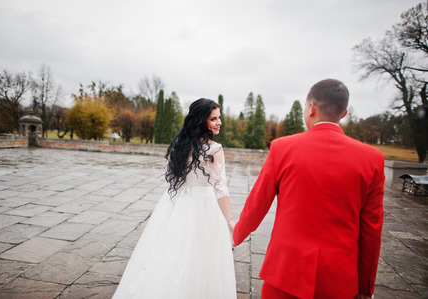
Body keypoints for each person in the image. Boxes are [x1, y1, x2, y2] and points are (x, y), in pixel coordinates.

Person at [233, 79, 385, 299]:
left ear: (311, 108)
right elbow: (372, 230)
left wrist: (235, 236)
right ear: (344, 114)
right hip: (340, 280)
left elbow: (257, 204)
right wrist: (364, 286)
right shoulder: (373, 159)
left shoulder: (282, 148)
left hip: (285, 274)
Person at [112, 98, 237, 299]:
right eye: (213, 119)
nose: (219, 122)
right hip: (203, 207)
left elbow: (174, 178)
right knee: (201, 259)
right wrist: (230, 220)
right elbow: (220, 187)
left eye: (219, 118)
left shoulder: (179, 144)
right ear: (201, 121)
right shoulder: (214, 149)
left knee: (168, 253)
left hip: (176, 204)